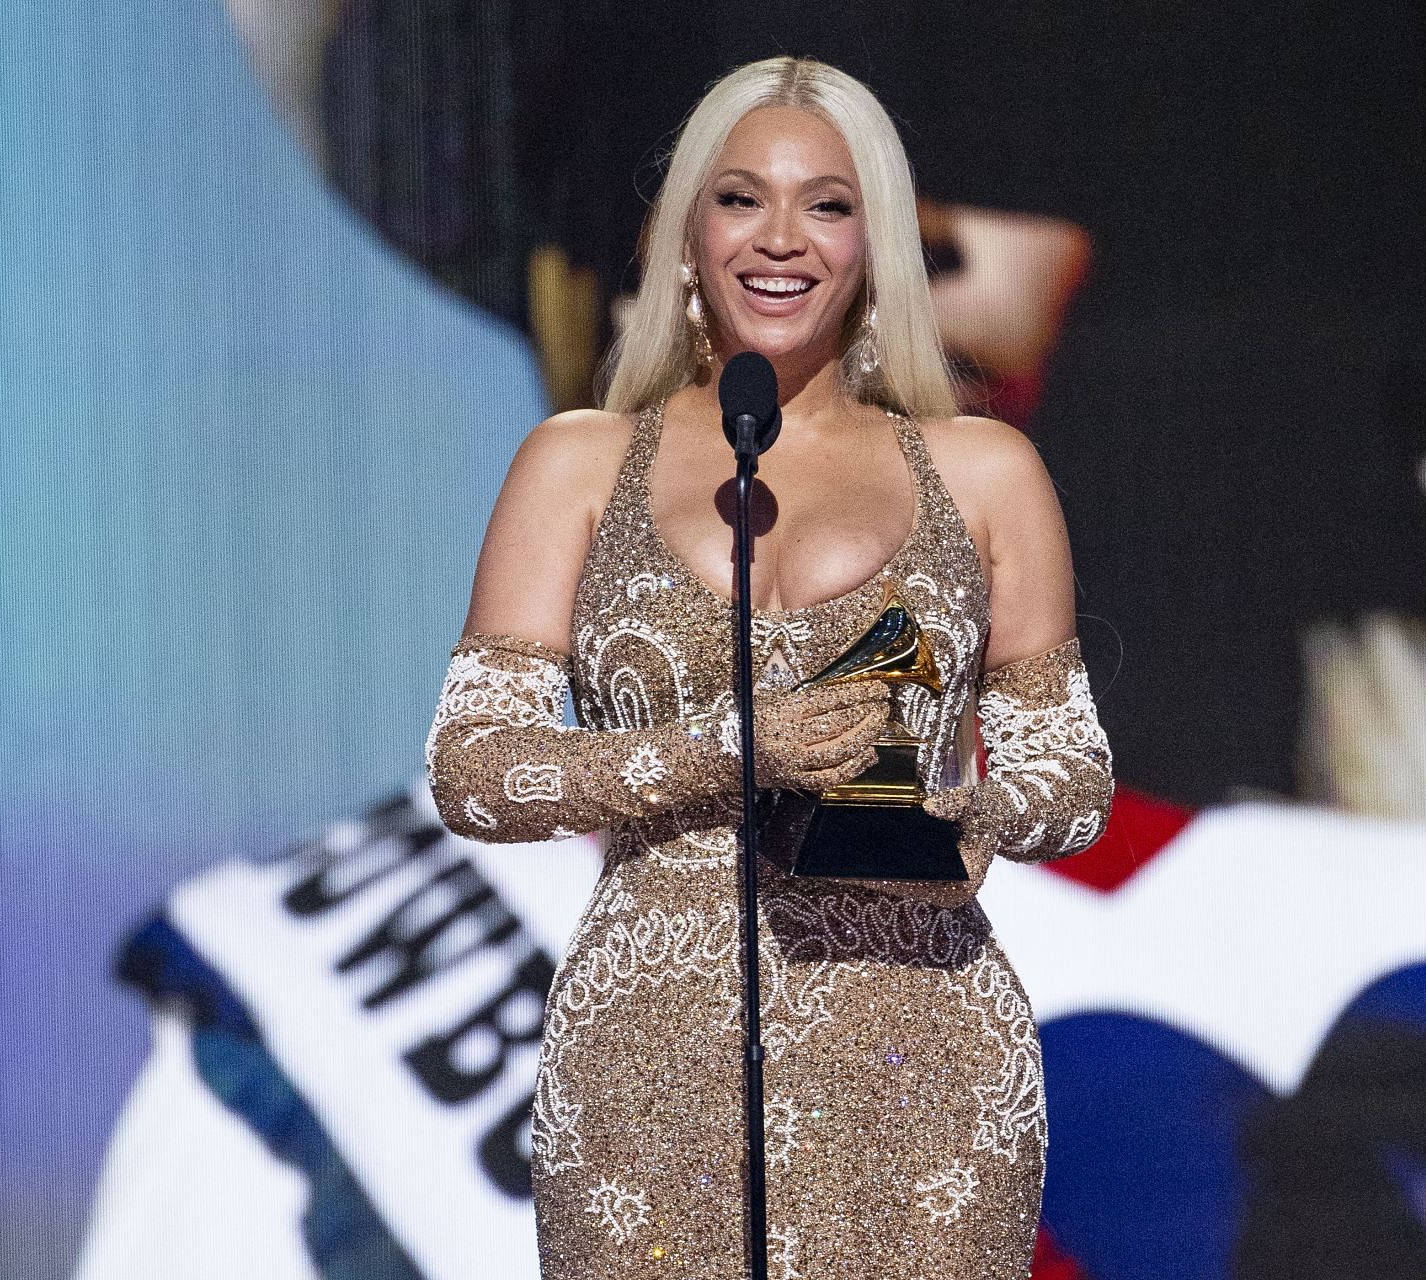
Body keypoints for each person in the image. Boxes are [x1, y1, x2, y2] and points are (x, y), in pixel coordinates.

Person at [425, 56, 1112, 1280]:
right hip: (650, 1062)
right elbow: (477, 770)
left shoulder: (984, 471)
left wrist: (971, 808)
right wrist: (731, 750)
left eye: (828, 204)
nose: (781, 237)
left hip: (922, 1063)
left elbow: (1070, 773)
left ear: (876, 240)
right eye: (742, 198)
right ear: (686, 231)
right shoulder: (581, 462)